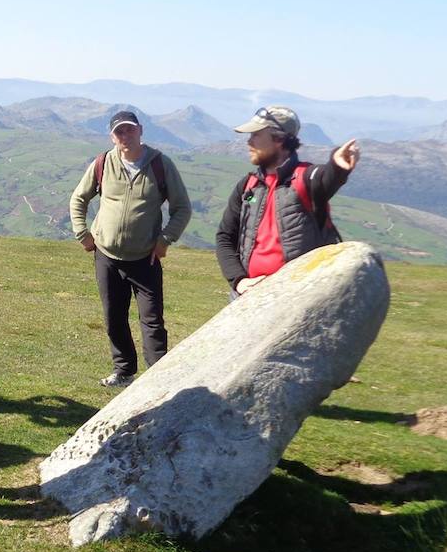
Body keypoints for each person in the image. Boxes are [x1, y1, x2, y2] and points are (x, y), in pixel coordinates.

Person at [68, 110, 192, 387]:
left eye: (130, 130)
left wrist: (164, 240)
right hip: (107, 256)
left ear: (141, 130)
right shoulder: (103, 163)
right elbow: (79, 199)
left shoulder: (161, 164)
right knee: (114, 317)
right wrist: (82, 233)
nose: (125, 136)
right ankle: (124, 371)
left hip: (144, 258)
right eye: (119, 132)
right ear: (112, 136)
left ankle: (159, 380)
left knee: (152, 321)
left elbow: (182, 207)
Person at [215, 105, 360, 296]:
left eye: (256, 135)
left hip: (295, 298)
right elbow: (225, 236)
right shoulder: (247, 186)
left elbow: (326, 177)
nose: (249, 142)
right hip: (246, 297)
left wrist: (337, 166)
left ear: (278, 139)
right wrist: (239, 281)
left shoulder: (306, 178)